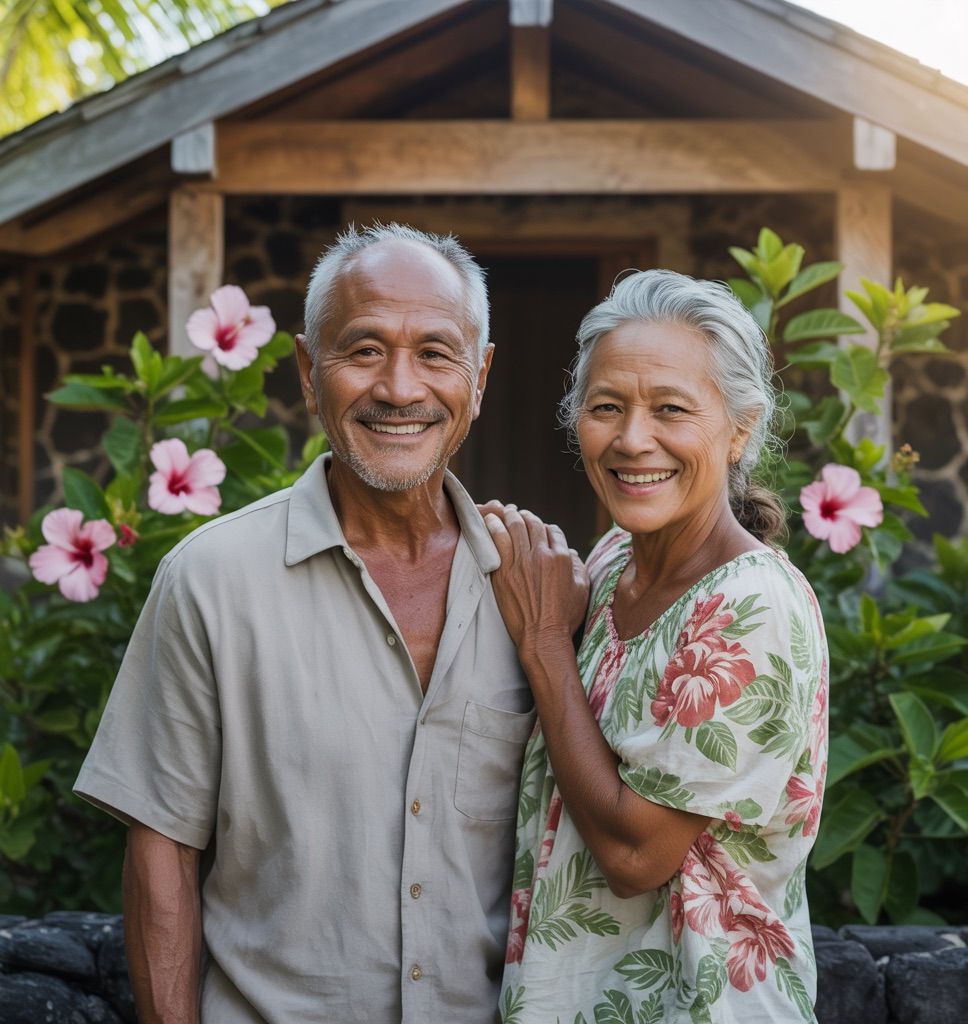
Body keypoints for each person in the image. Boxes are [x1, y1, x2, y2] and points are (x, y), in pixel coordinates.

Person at [74, 223, 536, 1024]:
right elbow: (163, 854)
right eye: (362, 350)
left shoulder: (536, 585)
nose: (399, 387)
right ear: (305, 371)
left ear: (480, 376)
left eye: (435, 352)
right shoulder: (211, 579)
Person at [484, 271, 828, 1023]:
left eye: (670, 409)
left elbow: (637, 857)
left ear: (739, 428)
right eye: (606, 407)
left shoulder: (751, 607)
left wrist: (544, 643)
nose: (632, 438)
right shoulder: (613, 561)